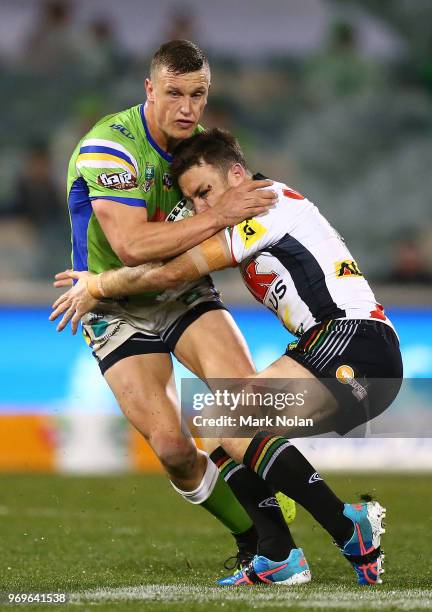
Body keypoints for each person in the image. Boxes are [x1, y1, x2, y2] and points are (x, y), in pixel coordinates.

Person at [52, 128, 402, 586]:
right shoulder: (247, 214)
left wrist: (99, 286)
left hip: (355, 341)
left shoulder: (266, 202)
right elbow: (166, 259)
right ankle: (278, 553)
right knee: (215, 420)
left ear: (237, 174)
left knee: (222, 416)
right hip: (334, 349)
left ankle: (346, 524)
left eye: (205, 192)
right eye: (193, 200)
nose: (202, 208)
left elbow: (177, 270)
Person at [54, 39, 298, 571]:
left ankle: (280, 549)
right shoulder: (109, 147)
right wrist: (218, 215)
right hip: (112, 304)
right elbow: (132, 246)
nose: (188, 108)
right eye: (174, 94)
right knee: (172, 448)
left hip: (182, 290)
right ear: (149, 90)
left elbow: (250, 218)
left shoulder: (205, 151)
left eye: (199, 94)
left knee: (243, 404)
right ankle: (251, 530)